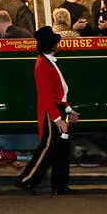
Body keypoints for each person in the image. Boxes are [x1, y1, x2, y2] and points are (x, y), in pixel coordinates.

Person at [17, 26, 75, 194]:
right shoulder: (43, 64)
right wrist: (57, 119)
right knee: (48, 148)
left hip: (56, 110)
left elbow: (58, 92)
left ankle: (59, 185)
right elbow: (46, 95)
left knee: (59, 149)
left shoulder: (46, 62)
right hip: (52, 112)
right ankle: (27, 180)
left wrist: (68, 109)